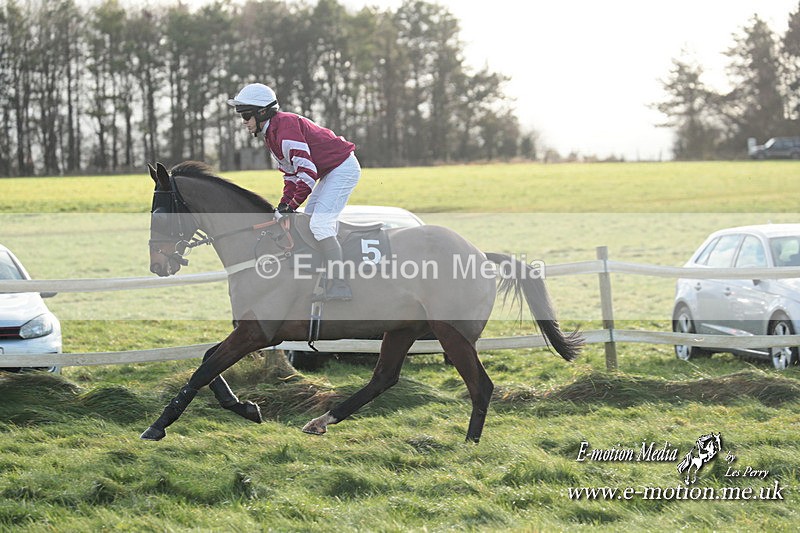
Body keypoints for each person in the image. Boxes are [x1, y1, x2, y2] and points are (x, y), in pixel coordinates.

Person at [227, 83, 360, 301]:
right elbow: (291, 176)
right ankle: (322, 277)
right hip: (330, 170)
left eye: (246, 115)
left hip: (343, 168)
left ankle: (340, 285)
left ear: (262, 113)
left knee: (319, 224)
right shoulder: (271, 134)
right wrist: (284, 204)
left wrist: (291, 206)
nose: (243, 122)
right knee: (309, 222)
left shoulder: (285, 129)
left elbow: (307, 174)